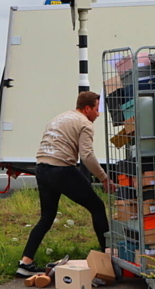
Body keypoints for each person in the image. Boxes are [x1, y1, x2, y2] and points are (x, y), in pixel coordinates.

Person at [16, 90, 114, 277]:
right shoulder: (84, 123)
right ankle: (107, 258)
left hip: (42, 169)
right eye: (96, 109)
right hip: (62, 170)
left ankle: (25, 263)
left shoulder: (60, 117)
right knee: (97, 206)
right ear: (87, 108)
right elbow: (87, 156)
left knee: (46, 217)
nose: (98, 114)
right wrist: (104, 178)